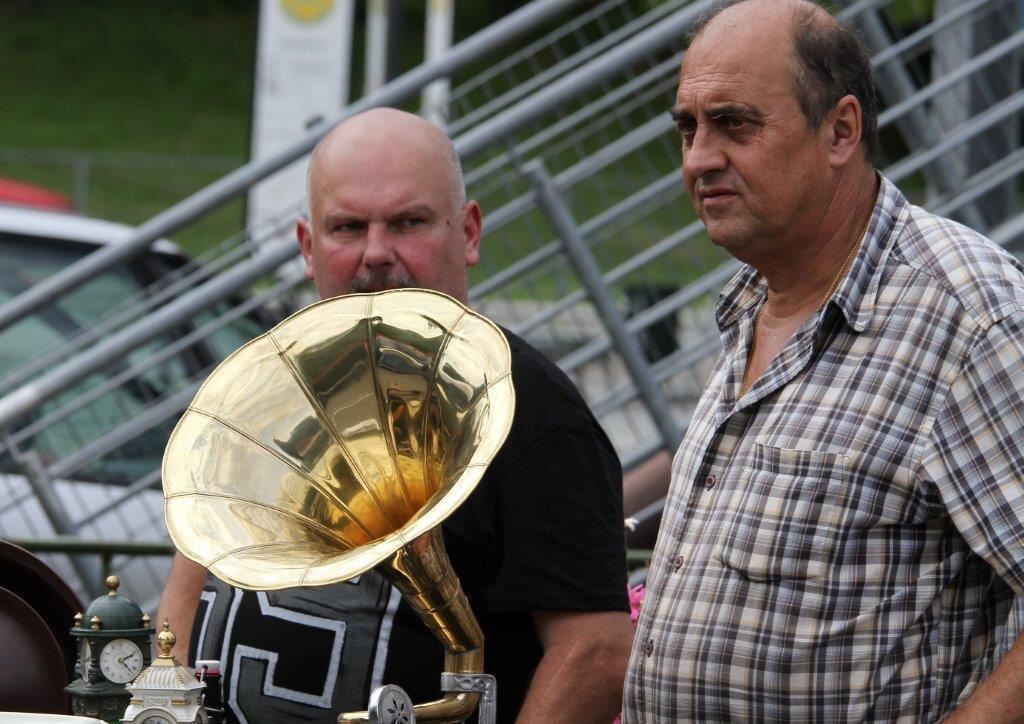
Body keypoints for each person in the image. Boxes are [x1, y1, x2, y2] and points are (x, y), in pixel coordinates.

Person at [158, 107, 633, 723]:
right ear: (308, 247)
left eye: (408, 222)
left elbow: (595, 654)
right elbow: (187, 592)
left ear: (467, 231)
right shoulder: (269, 389)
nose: (376, 253)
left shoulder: (534, 409)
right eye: (347, 227)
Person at [623, 1, 1024, 721]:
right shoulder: (756, 300)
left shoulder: (963, 312)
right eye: (688, 127)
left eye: (735, 124)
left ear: (841, 130)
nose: (698, 157)